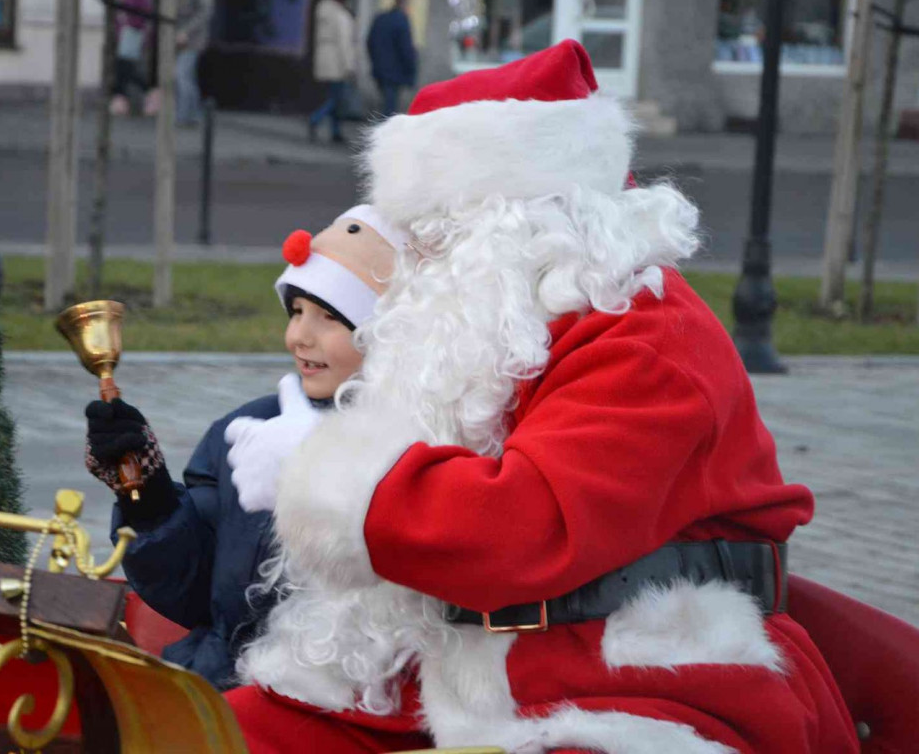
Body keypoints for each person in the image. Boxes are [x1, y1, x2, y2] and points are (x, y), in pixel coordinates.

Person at [226, 41, 859, 753]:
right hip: (471, 679)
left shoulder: (647, 339)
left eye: (438, 236)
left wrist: (332, 483)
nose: (418, 265)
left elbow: (525, 526)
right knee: (218, 730)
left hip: (643, 679)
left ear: (523, 223)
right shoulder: (500, 339)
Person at [84, 206, 406, 689]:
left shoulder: (419, 450)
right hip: (222, 683)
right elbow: (197, 594)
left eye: (329, 317)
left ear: (388, 334)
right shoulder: (247, 430)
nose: (299, 336)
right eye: (296, 311)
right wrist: (146, 497)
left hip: (347, 702)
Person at [308, 0, 356, 144]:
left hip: (324, 60)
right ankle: (315, 118)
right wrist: (349, 66)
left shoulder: (322, 10)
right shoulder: (340, 15)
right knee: (337, 99)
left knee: (334, 97)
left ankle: (336, 131)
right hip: (337, 62)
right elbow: (344, 43)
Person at [366, 0, 417, 117]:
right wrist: (411, 69)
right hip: (394, 71)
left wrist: (375, 61)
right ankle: (383, 134)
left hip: (379, 69)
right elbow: (406, 49)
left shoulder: (380, 18)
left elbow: (369, 42)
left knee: (384, 104)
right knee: (389, 109)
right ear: (405, 3)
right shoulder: (401, 20)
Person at [109, 0, 152, 116]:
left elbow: (143, 14)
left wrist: (130, 23)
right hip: (125, 33)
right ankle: (125, 98)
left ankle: (144, 90)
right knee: (125, 66)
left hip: (133, 32)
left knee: (124, 65)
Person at [174, 0, 213, 126]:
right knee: (188, 76)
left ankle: (183, 115)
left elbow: (205, 11)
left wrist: (186, 31)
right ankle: (193, 114)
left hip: (193, 38)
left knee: (181, 74)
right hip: (178, 36)